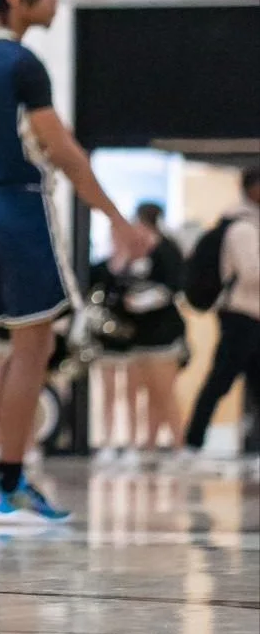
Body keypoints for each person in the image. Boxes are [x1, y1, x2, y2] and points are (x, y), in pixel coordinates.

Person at [0, 0, 150, 524]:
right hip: (22, 206)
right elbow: (63, 151)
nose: (55, 1)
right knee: (35, 349)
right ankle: (7, 483)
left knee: (27, 345)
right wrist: (117, 220)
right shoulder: (22, 63)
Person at [88, 203, 186, 470]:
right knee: (139, 392)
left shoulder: (166, 251)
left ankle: (178, 447)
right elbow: (110, 288)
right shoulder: (122, 260)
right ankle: (146, 446)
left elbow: (173, 288)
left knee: (162, 393)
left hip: (162, 338)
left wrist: (144, 301)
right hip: (132, 338)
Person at [181, 166, 260, 463]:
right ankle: (192, 444)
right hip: (240, 317)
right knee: (220, 381)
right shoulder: (243, 228)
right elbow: (252, 273)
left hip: (253, 317)